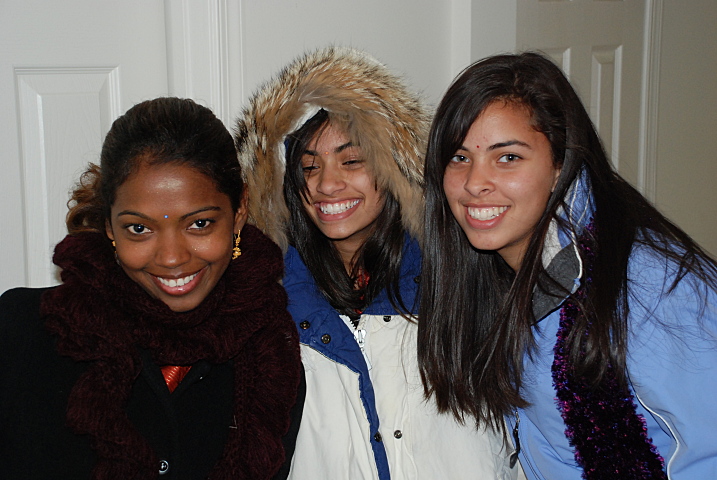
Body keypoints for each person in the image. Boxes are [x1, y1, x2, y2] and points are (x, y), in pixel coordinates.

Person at [418, 51, 717, 479]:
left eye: (508, 157)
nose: (474, 183)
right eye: (459, 158)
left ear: (560, 166)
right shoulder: (493, 273)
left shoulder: (650, 284)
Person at [235, 47, 516, 480]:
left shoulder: (459, 276)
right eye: (309, 167)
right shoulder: (272, 301)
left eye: (351, 161)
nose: (327, 184)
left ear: (393, 168)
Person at [0, 97, 304, 479]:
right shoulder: (20, 333)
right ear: (109, 225)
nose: (172, 258)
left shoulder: (270, 357)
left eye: (199, 224)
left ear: (239, 210)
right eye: (139, 228)